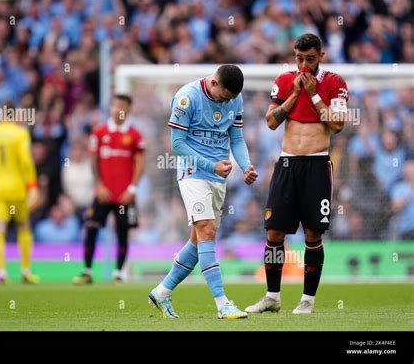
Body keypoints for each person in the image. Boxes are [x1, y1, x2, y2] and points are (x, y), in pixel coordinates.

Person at [245, 34, 348, 314]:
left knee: (313, 234)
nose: (304, 65)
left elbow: (338, 124)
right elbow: (271, 121)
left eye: (310, 59)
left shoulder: (335, 82)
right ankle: (272, 296)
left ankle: (307, 300)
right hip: (287, 164)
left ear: (321, 56)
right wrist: (294, 94)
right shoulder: (284, 81)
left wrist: (313, 93)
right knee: (275, 231)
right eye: (299, 58)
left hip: (316, 164)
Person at [148, 65, 258, 319]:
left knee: (199, 241)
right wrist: (211, 165)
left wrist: (246, 166)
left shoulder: (235, 98)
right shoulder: (187, 97)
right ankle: (222, 304)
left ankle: (163, 291)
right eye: (225, 96)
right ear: (215, 83)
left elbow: (237, 139)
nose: (227, 101)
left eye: (231, 98)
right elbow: (177, 144)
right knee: (207, 230)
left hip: (218, 177)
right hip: (192, 173)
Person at [72, 94, 145, 284]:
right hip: (103, 193)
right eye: (115, 105)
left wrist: (132, 189)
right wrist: (98, 185)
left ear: (128, 109)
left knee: (123, 232)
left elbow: (140, 163)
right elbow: (93, 161)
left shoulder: (135, 135)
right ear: (110, 108)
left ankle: (119, 273)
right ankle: (87, 271)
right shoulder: (99, 132)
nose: (118, 109)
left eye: (122, 105)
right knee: (91, 227)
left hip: (124, 195)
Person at [0, 102, 40, 284]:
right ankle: (26, 271)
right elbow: (26, 162)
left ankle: (1, 272)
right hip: (17, 188)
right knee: (24, 226)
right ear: (13, 114)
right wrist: (33, 186)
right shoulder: (20, 133)